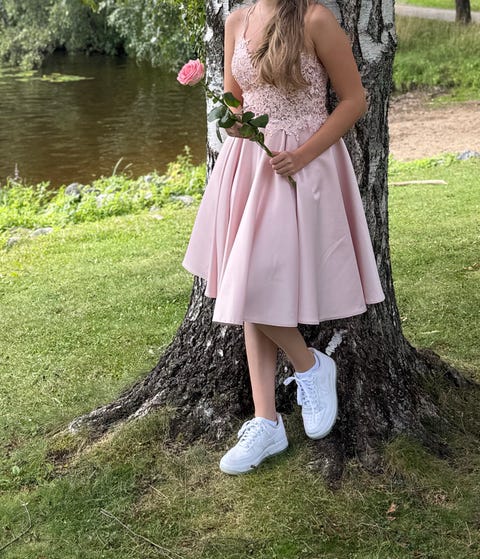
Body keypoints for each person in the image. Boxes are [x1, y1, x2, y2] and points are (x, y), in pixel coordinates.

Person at [182, 0, 385, 475]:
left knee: (252, 283)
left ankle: (308, 371)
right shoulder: (237, 20)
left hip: (301, 167)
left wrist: (303, 154)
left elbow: (354, 101)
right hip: (248, 166)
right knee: (251, 285)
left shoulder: (314, 18)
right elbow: (235, 99)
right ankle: (270, 417)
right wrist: (233, 121)